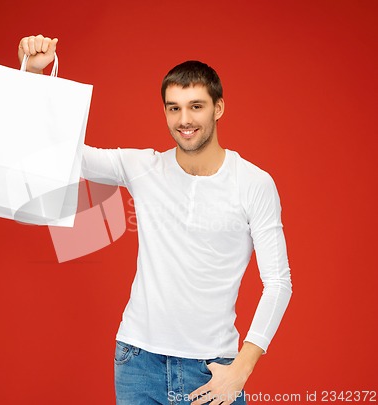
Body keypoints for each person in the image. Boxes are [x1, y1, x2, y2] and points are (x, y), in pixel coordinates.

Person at [17, 35, 292, 405]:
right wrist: (35, 79)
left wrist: (241, 368)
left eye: (196, 106)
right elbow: (64, 152)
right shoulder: (143, 167)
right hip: (137, 362)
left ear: (219, 108)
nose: (185, 120)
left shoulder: (254, 183)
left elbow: (278, 283)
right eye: (173, 108)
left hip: (212, 368)